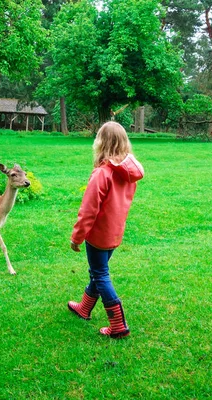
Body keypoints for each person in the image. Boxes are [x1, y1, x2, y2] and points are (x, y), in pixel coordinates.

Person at [68, 121, 144, 338]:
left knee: (101, 274)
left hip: (98, 235)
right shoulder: (127, 174)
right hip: (114, 232)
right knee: (98, 271)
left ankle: (118, 325)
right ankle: (84, 308)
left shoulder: (102, 173)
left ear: (102, 142)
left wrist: (77, 237)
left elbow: (88, 210)